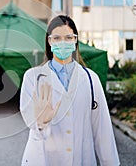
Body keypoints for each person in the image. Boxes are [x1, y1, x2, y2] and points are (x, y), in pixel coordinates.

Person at [20, 15, 120, 166]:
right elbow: (31, 122)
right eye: (57, 38)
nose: (63, 42)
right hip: (44, 159)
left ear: (75, 40)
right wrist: (41, 122)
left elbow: (102, 129)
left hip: (82, 159)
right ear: (49, 41)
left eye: (68, 37)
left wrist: (110, 162)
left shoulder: (91, 79)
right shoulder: (33, 77)